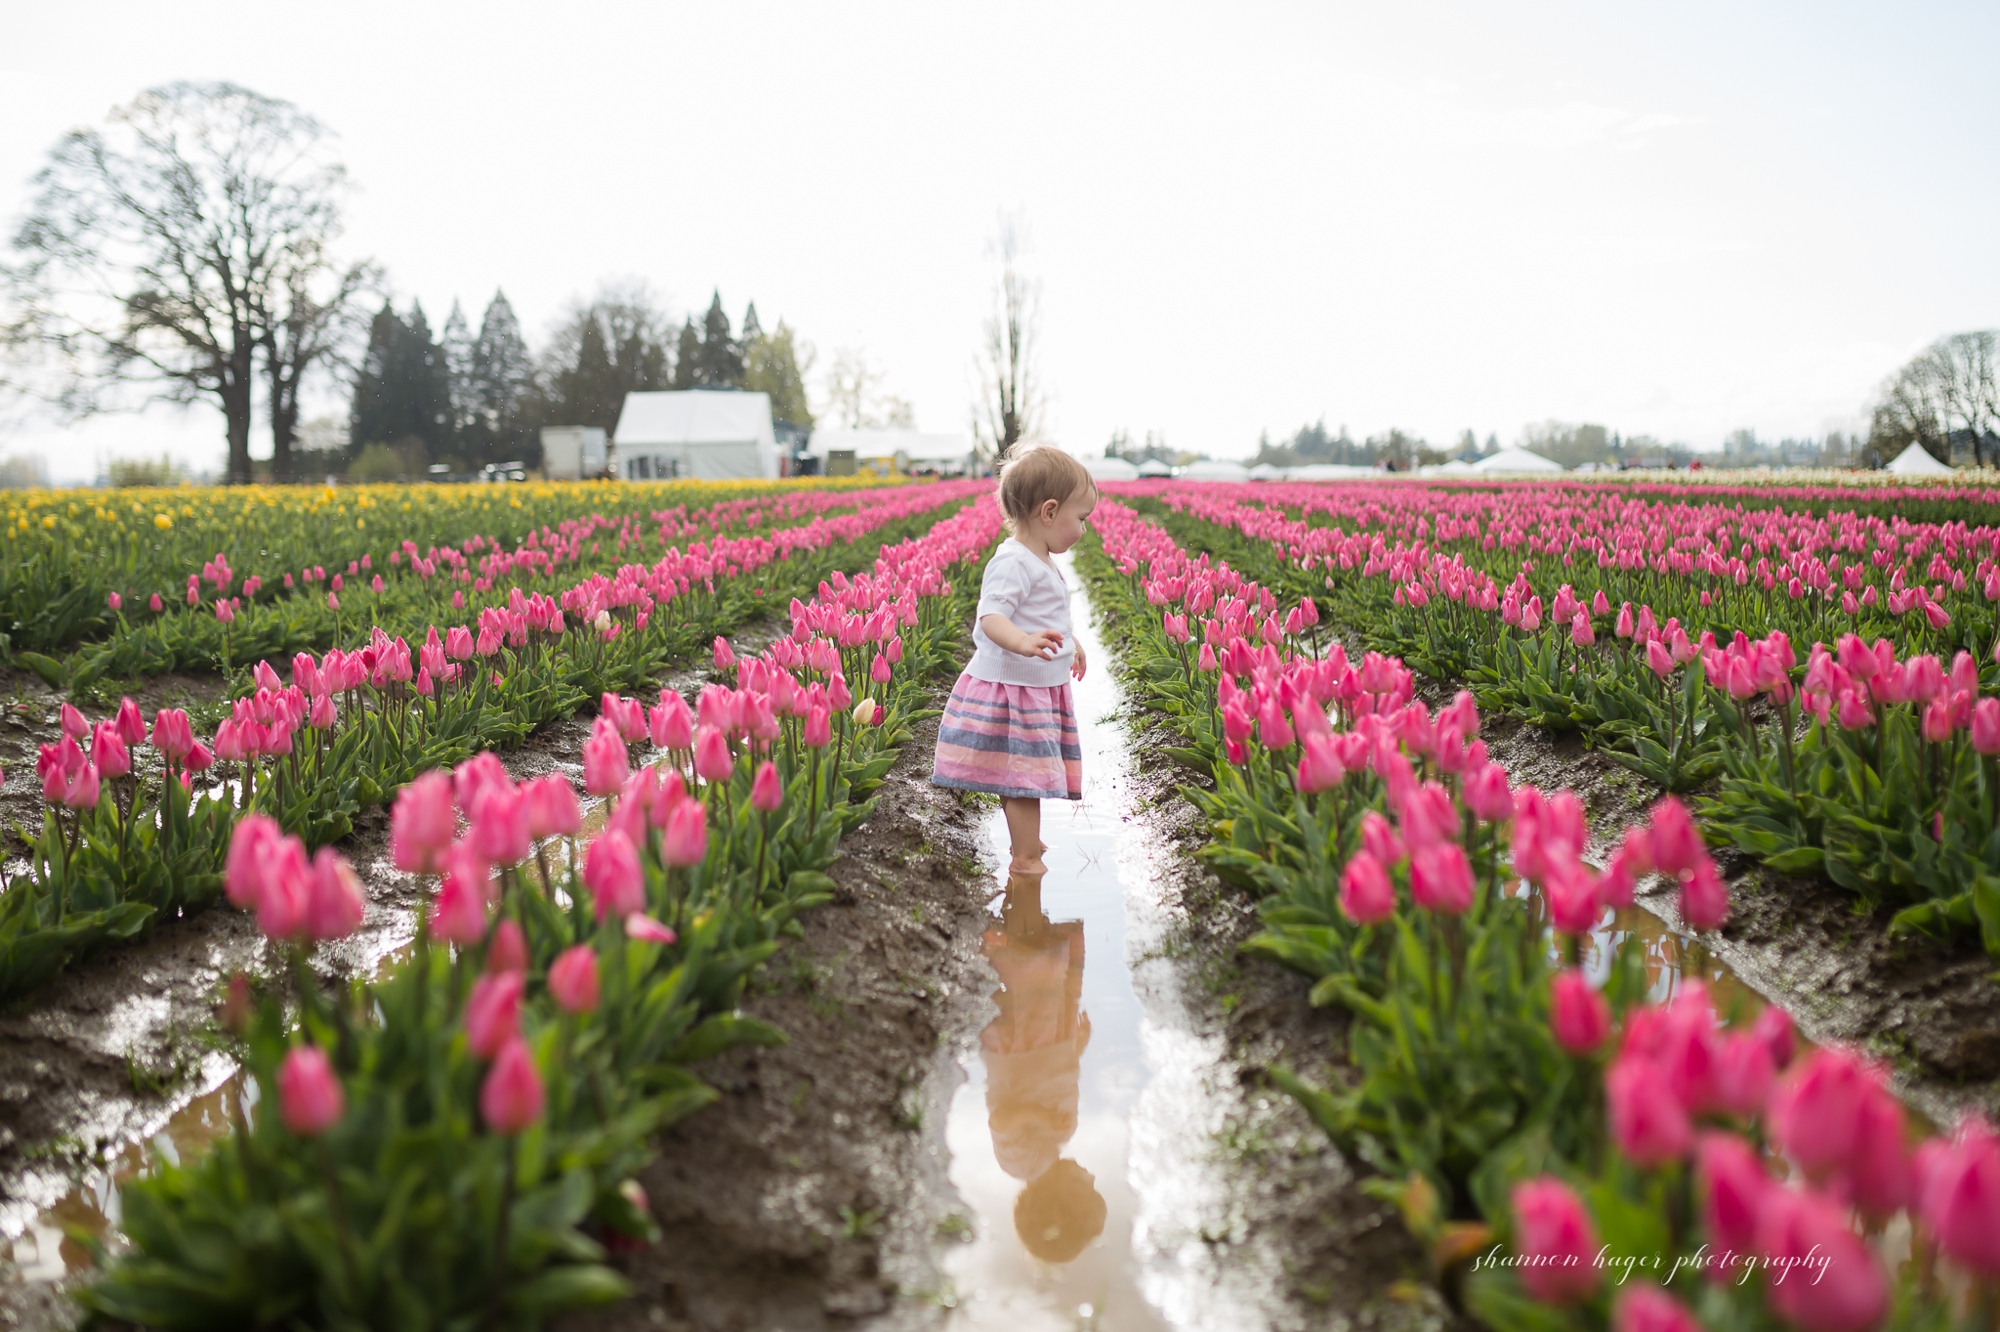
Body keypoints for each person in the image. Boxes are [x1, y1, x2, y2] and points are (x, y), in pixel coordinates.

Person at [931, 446, 1095, 876]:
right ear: (1049, 511)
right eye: (1081, 519)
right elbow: (991, 617)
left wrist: (1070, 642)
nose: (1084, 529)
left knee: (1020, 773)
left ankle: (1026, 840)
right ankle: (1025, 857)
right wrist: (1021, 641)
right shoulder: (1012, 562)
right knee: (1024, 778)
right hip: (1016, 691)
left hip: (1035, 685)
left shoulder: (1037, 560)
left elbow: (1044, 615)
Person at [978, 870, 1105, 1266]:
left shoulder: (1024, 1163)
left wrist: (1038, 1117)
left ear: (1058, 1206)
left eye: (1088, 1190)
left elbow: (1001, 1120)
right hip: (1052, 1045)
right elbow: (1059, 1085)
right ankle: (1026, 918)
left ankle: (1020, 914)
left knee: (1029, 982)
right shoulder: (1058, 1141)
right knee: (1051, 982)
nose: (1092, 1177)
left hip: (1022, 1050)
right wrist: (1075, 1051)